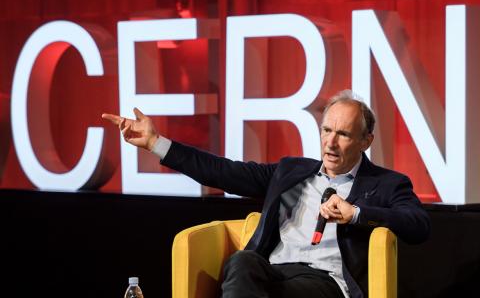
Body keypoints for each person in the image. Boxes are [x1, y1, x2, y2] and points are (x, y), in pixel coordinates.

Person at [102, 90, 430, 298]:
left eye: (343, 134)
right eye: (326, 130)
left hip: (325, 283)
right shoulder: (291, 171)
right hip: (271, 271)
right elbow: (223, 172)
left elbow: (418, 224)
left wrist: (356, 213)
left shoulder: (387, 183)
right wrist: (157, 144)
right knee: (243, 261)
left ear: (365, 141)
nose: (330, 142)